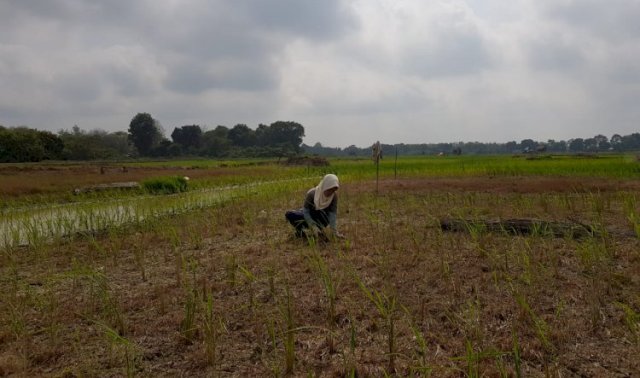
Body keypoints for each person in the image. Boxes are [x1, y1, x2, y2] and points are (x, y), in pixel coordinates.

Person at [285, 174, 344, 240]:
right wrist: (313, 226)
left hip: (321, 219)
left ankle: (319, 231)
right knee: (289, 214)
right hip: (308, 216)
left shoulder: (334, 196)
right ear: (325, 186)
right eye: (329, 190)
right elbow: (306, 211)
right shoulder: (311, 194)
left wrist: (334, 232)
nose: (330, 193)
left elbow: (332, 214)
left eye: (333, 191)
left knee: (321, 213)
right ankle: (300, 232)